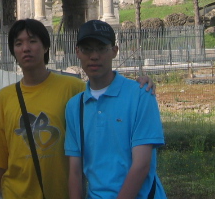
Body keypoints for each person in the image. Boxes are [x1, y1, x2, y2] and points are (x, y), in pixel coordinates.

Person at [0, 19, 155, 199]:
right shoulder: (4, 98)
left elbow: (103, 94)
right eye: (18, 43)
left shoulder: (74, 90)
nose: (26, 48)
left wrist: (138, 87)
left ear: (46, 47)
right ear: (13, 50)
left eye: (33, 41)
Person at [65, 20, 167, 199]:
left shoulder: (141, 95)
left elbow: (141, 165)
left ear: (114, 51)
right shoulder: (75, 106)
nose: (94, 56)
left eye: (102, 48)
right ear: (77, 52)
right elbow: (75, 171)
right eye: (87, 49)